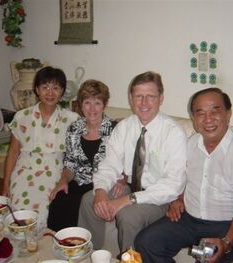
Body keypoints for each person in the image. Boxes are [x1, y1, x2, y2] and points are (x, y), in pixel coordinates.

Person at [134, 88, 233, 263]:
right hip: (189, 220)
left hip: (226, 225)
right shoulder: (190, 144)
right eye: (200, 113)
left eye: (215, 111)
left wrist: (225, 242)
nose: (208, 119)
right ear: (194, 118)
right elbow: (180, 178)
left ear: (228, 114)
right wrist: (177, 199)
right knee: (146, 242)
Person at [78, 71, 187, 254]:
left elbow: (172, 185)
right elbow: (110, 164)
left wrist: (126, 200)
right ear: (131, 98)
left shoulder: (173, 132)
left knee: (128, 215)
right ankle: (90, 255)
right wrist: (101, 191)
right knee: (89, 200)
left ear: (160, 98)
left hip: (157, 196)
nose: (144, 102)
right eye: (138, 96)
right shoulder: (124, 127)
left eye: (150, 96)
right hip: (129, 186)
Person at [3, 66, 78, 230]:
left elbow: (76, 156)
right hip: (24, 170)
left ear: (62, 91)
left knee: (43, 216)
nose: (50, 92)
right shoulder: (22, 117)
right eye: (45, 87)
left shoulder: (71, 119)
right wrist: (6, 183)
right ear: (37, 89)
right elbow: (13, 152)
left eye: (56, 88)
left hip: (54, 173)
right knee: (17, 216)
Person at [47, 79, 121, 231]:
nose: (92, 109)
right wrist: (63, 180)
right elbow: (70, 164)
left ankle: (77, 246)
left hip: (103, 184)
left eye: (97, 103)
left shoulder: (116, 129)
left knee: (79, 204)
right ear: (80, 105)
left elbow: (125, 162)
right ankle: (58, 245)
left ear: (105, 105)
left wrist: (124, 180)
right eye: (87, 102)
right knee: (59, 199)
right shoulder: (74, 128)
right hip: (80, 181)